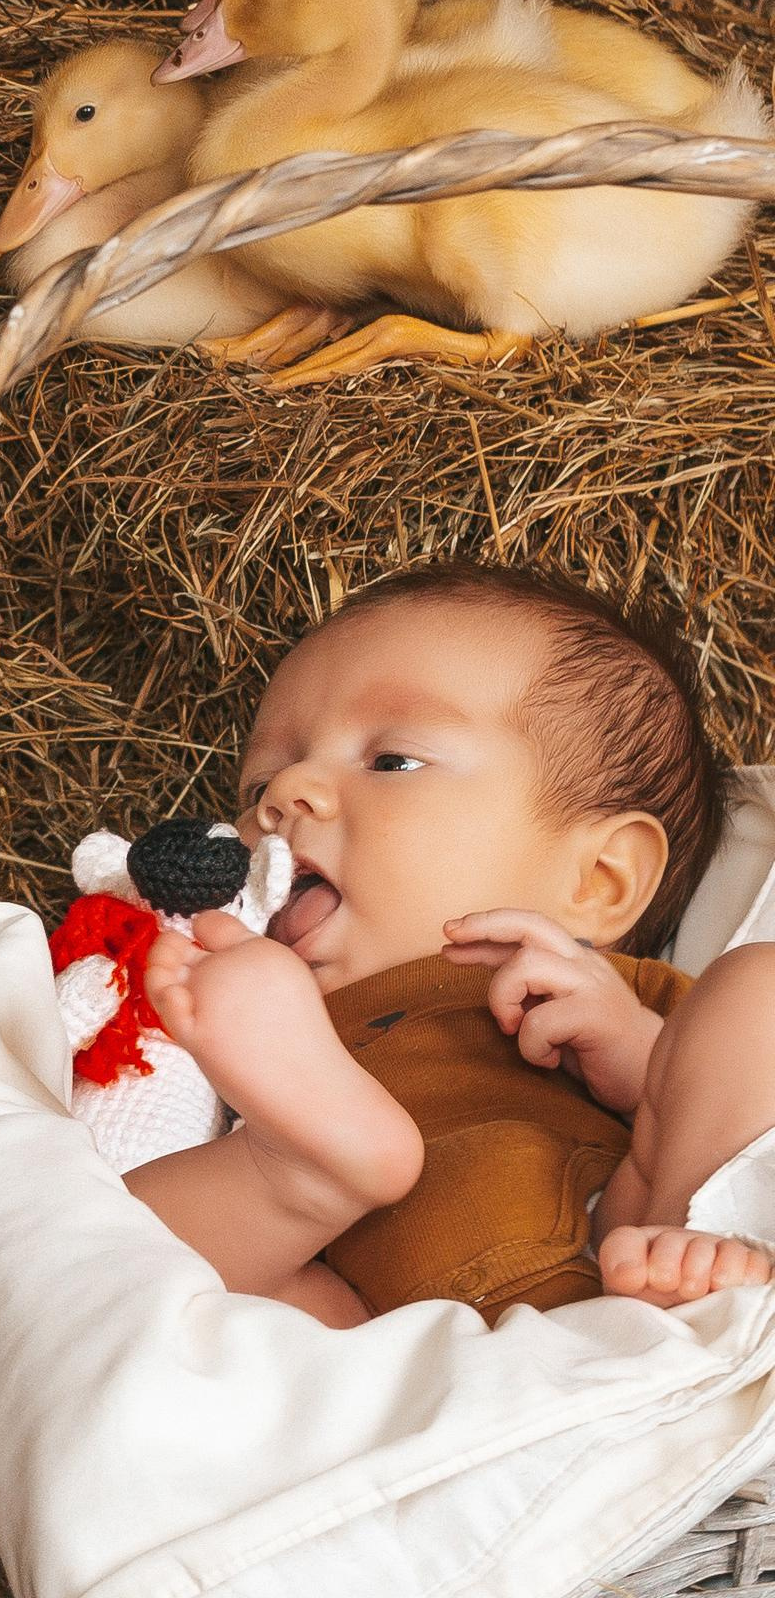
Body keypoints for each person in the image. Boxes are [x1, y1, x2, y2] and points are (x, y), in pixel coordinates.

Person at [128, 561, 775, 1328]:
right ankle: (312, 1172)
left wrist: (640, 1061)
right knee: (128, 1242)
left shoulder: (618, 1001)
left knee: (756, 992)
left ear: (599, 881)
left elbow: (729, 1089)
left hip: (621, 1248)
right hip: (397, 1335)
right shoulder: (245, 1026)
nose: (283, 795)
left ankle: (696, 1226)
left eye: (392, 762)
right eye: (256, 787)